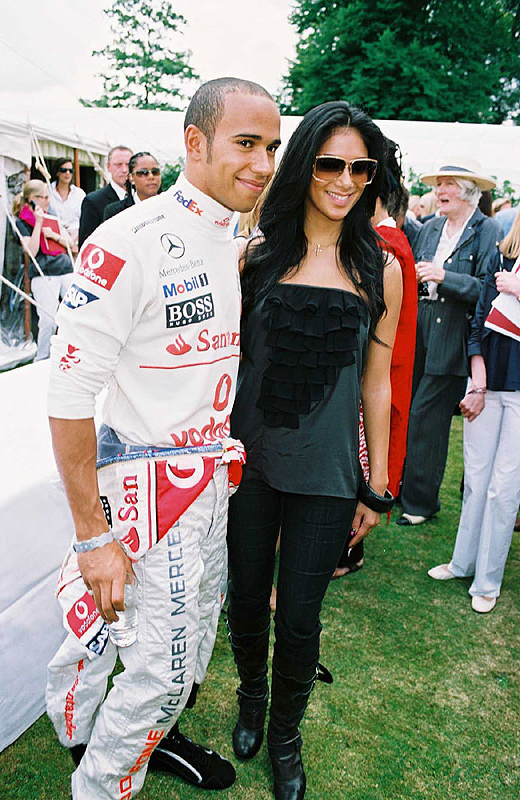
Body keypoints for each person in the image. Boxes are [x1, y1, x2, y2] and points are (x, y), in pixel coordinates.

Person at [45, 77, 281, 800]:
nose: (264, 163)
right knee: (164, 662)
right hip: (148, 485)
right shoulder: (129, 240)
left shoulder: (233, 234)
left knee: (174, 637)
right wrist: (92, 536)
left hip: (211, 475)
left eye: (272, 147)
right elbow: (68, 394)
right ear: (194, 143)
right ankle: (102, 781)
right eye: (247, 144)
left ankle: (79, 721)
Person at [226, 101, 402, 800]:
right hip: (250, 468)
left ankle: (286, 738)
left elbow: (378, 384)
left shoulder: (380, 267)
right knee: (245, 598)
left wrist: (378, 484)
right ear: (305, 164)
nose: (346, 179)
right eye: (332, 162)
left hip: (328, 476)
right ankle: (249, 698)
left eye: (363, 167)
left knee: (300, 616)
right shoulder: (254, 256)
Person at [397, 156, 501, 526]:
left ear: (470, 193)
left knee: (429, 419)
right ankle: (400, 489)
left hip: (454, 334)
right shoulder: (429, 227)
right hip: (420, 327)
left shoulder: (487, 231)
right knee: (407, 411)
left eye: (449, 184)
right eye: (439, 184)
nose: (439, 191)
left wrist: (445, 277)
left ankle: (420, 504)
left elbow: (488, 290)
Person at [428, 207, 520, 612]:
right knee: (477, 480)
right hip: (486, 384)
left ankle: (488, 581)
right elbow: (479, 321)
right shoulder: (504, 256)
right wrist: (478, 382)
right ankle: (463, 562)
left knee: (504, 489)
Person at [335, 138, 417, 577]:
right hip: (384, 365)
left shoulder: (386, 250)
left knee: (361, 461)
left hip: (381, 367)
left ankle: (346, 550)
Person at [13, 180, 73, 360]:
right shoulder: (22, 222)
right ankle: (43, 357)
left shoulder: (52, 216)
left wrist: (54, 235)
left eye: (48, 197)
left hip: (65, 268)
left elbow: (72, 245)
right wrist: (38, 224)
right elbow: (31, 251)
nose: (47, 202)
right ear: (32, 199)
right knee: (48, 319)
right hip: (43, 272)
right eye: (43, 198)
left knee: (76, 314)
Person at [78, 145, 132, 247]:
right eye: (118, 164)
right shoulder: (93, 201)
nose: (124, 169)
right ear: (108, 167)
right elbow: (86, 244)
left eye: (128, 164)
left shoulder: (141, 197)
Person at [103, 151, 161, 220]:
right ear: (131, 178)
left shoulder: (170, 206)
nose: (151, 176)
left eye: (155, 172)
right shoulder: (116, 212)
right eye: (143, 172)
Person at [49, 157, 86, 246]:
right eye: (63, 170)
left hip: (76, 237)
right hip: (54, 236)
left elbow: (84, 219)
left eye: (70, 170)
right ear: (57, 172)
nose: (67, 173)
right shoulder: (48, 191)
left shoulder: (79, 194)